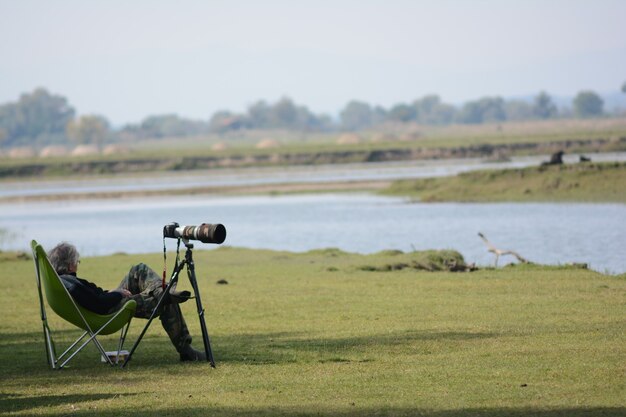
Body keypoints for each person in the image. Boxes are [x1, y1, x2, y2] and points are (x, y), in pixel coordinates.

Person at [47, 241, 206, 362]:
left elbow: (95, 298)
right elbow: (99, 304)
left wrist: (113, 293)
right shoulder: (70, 285)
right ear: (69, 265)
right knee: (165, 300)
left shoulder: (65, 281)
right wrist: (118, 295)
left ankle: (161, 291)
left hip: (108, 303)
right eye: (77, 261)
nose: (77, 264)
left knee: (138, 270)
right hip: (110, 311)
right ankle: (185, 350)